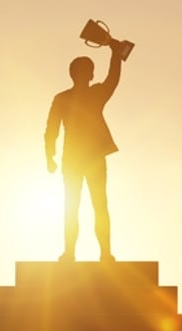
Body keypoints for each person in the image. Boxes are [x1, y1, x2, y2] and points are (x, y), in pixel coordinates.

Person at [44, 40, 126, 263]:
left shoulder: (89, 95)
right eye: (84, 71)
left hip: (87, 158)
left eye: (87, 71)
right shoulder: (66, 98)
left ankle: (102, 254)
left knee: (94, 205)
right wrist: (48, 154)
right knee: (79, 206)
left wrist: (116, 55)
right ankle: (75, 253)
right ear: (78, 75)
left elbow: (112, 80)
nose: (85, 75)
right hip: (78, 158)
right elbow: (51, 129)